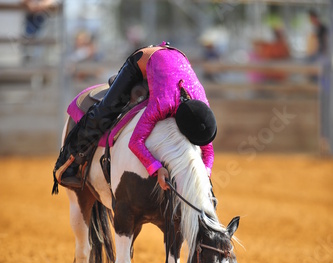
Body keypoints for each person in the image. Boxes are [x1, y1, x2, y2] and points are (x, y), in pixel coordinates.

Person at [53, 42, 217, 191]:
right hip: (142, 61)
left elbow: (208, 150)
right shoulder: (162, 104)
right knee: (107, 110)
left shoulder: (202, 104)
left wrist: (205, 173)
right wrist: (156, 168)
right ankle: (68, 161)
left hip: (172, 59)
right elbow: (135, 141)